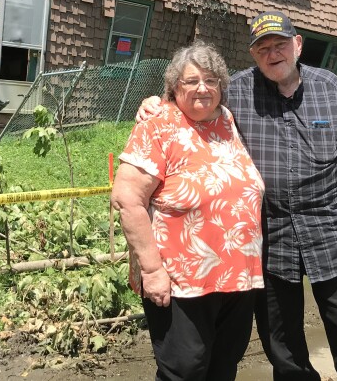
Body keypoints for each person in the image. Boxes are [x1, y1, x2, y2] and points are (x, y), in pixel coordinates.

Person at [138, 11, 337, 381]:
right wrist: (156, 103)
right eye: (263, 47)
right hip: (272, 246)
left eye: (280, 44)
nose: (273, 54)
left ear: (297, 45)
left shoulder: (331, 88)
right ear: (253, 54)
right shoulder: (234, 91)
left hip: (332, 237)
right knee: (283, 350)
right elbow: (194, 98)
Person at [111, 41, 265, 381]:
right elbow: (127, 199)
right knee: (185, 369)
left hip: (238, 276)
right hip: (181, 279)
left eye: (210, 80)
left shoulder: (227, 118)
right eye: (191, 81)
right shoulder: (158, 123)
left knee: (224, 363)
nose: (202, 88)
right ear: (173, 87)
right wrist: (151, 271)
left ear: (221, 86)